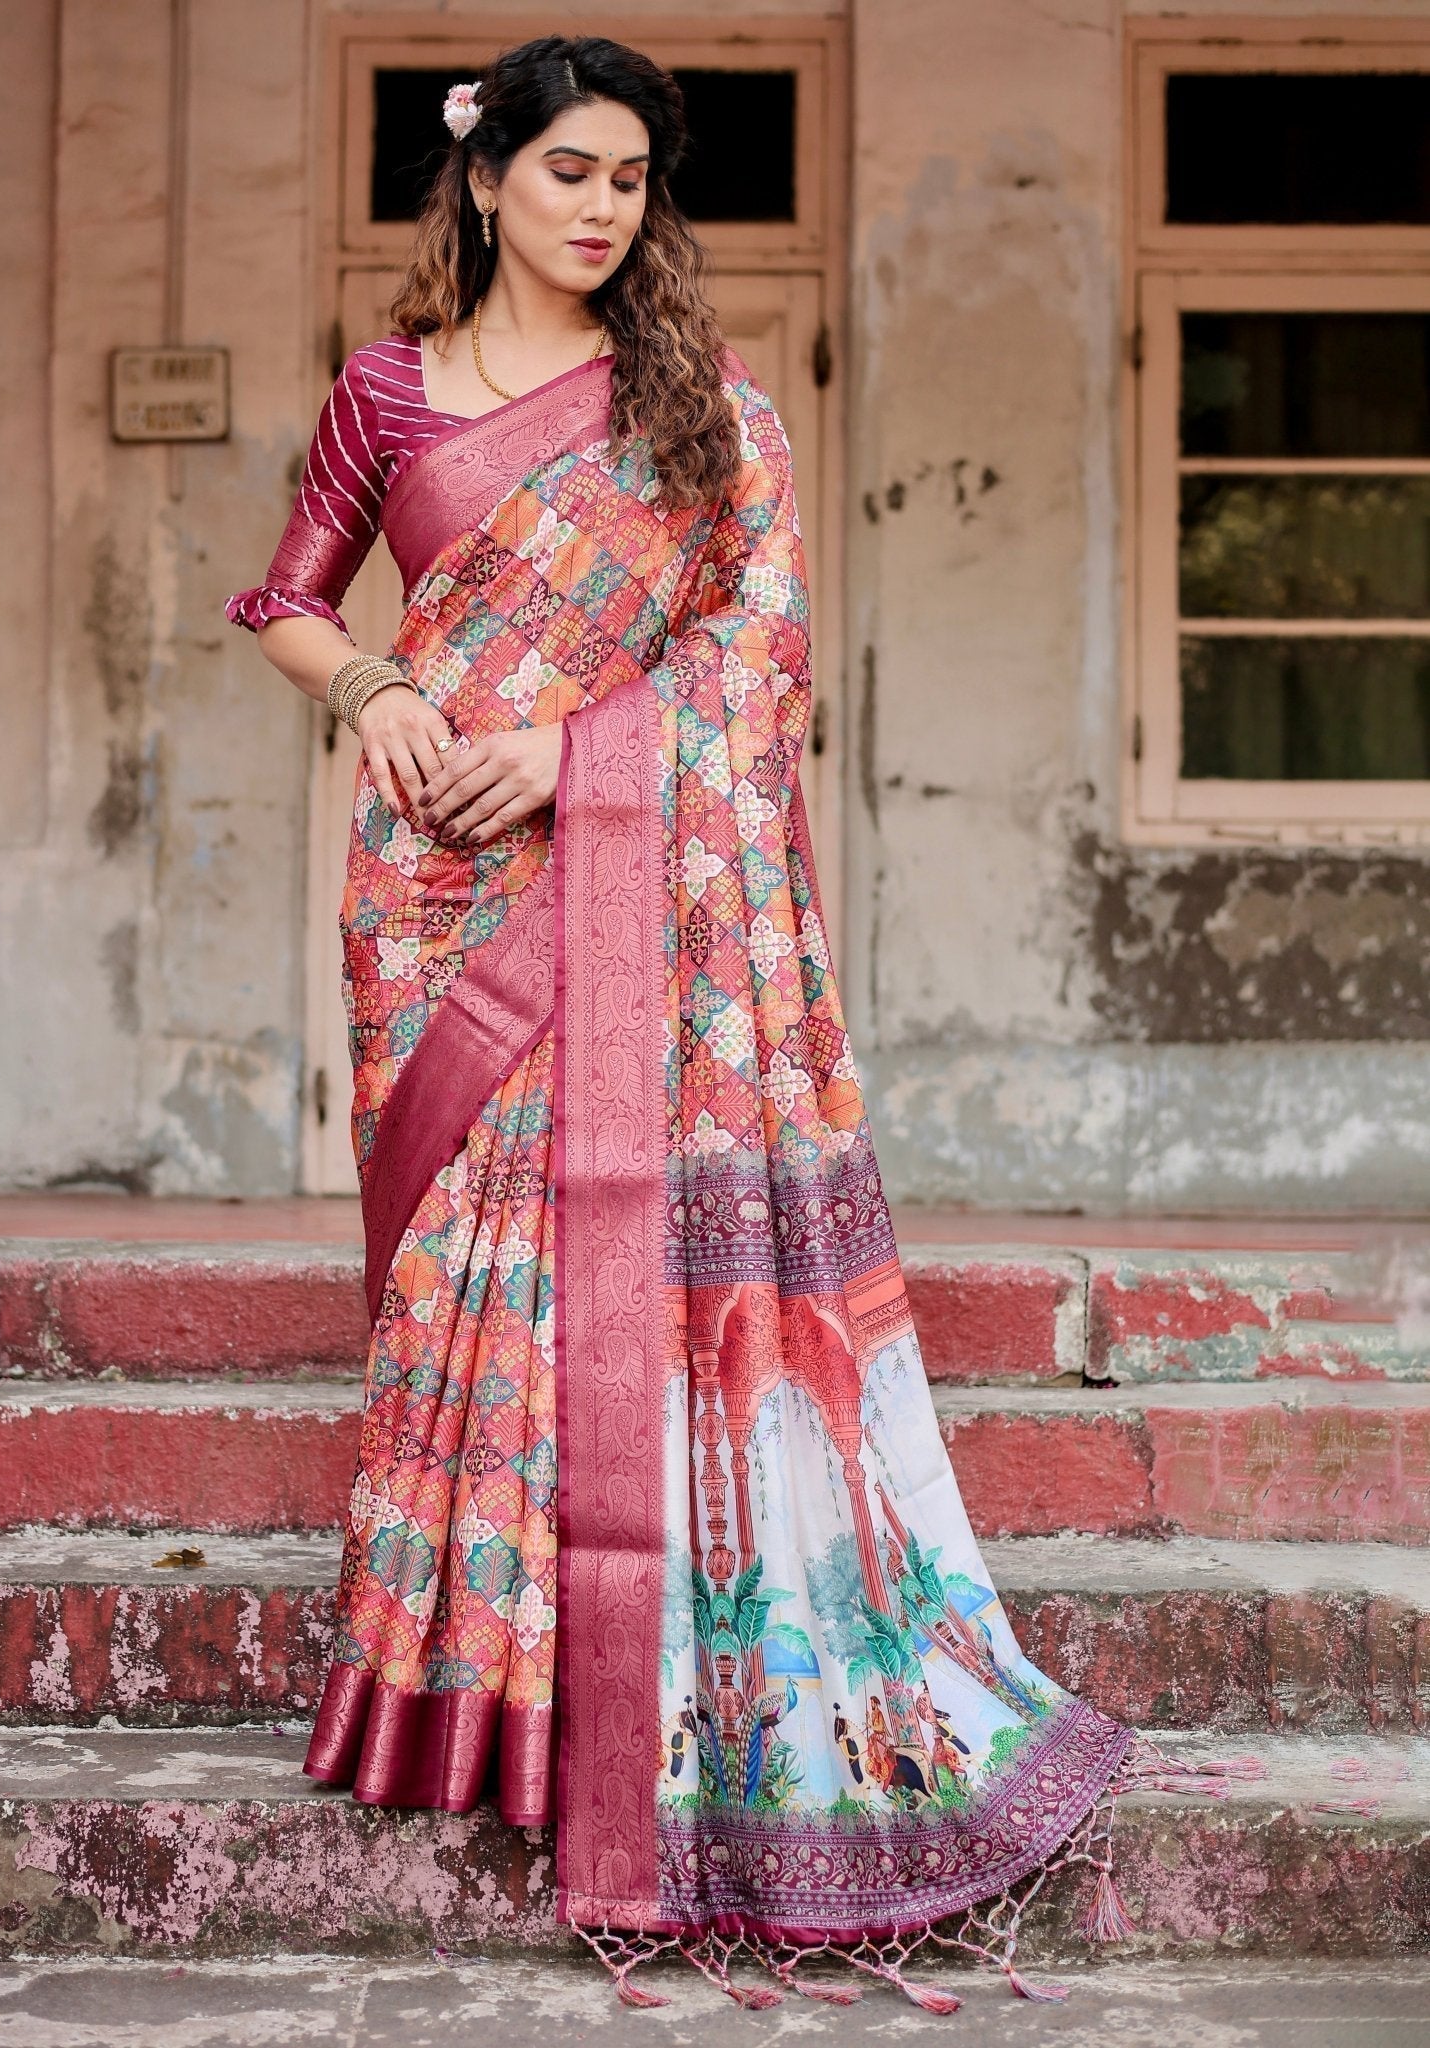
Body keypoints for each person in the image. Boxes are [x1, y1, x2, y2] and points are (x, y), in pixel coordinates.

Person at [228, 32, 1180, 2011]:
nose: (599, 206)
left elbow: (759, 654)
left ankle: (642, 1720)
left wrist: (573, 753)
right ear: (483, 177)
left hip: (630, 885)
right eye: (566, 169)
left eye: (628, 177)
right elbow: (290, 598)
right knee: (464, 1290)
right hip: (434, 887)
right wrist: (377, 693)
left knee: (614, 1284)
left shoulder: (701, 406)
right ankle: (464, 1706)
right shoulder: (385, 391)